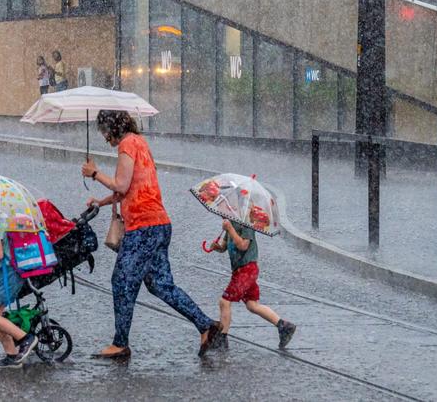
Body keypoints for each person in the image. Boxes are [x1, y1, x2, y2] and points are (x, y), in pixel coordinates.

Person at [81, 110, 218, 359]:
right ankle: (205, 325)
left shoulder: (126, 145)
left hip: (143, 228)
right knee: (160, 285)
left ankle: (120, 344)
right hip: (159, 224)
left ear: (113, 128)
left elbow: (121, 185)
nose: (105, 139)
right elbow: (132, 189)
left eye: (104, 133)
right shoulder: (140, 143)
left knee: (121, 281)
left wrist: (94, 174)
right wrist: (100, 203)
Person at [207, 219, 296, 350]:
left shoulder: (246, 224)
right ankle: (284, 326)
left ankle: (222, 338)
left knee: (224, 301)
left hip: (247, 269)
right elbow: (225, 246)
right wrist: (217, 247)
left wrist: (230, 229)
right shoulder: (231, 221)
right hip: (239, 271)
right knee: (252, 305)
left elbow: (243, 245)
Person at [0, 229, 39, 368]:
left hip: (7, 274)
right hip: (10, 273)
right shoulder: (0, 222)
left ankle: (26, 338)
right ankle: (12, 355)